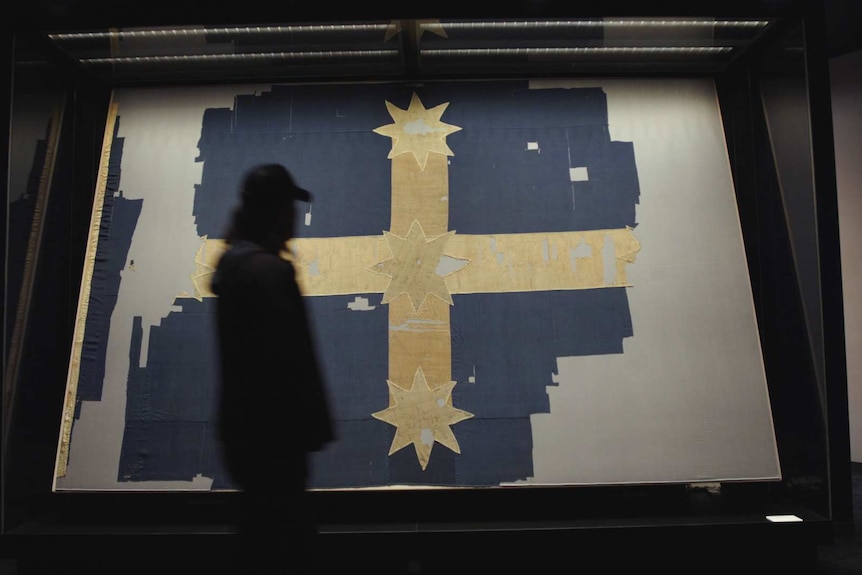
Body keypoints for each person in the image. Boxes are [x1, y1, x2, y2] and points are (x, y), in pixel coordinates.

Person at [211, 163, 334, 574]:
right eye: (288, 207)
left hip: (248, 439)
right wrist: (312, 427)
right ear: (277, 211)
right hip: (276, 441)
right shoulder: (270, 273)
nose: (294, 218)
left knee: (264, 538)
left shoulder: (234, 267)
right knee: (284, 546)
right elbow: (290, 363)